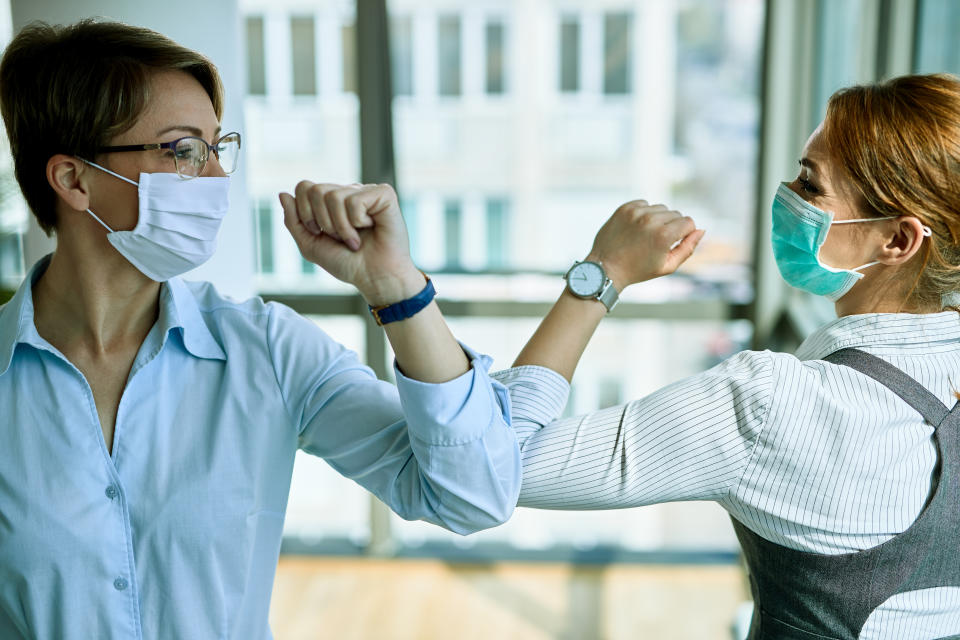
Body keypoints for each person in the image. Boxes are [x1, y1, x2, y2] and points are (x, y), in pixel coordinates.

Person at [0, 20, 522, 639]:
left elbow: (473, 495)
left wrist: (395, 288)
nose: (219, 178)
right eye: (185, 151)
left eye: (219, 148)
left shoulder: (267, 350)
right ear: (74, 179)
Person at [501, 73, 960, 639]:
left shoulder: (775, 404)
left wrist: (602, 274)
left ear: (897, 241)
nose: (788, 196)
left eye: (810, 186)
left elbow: (500, 464)